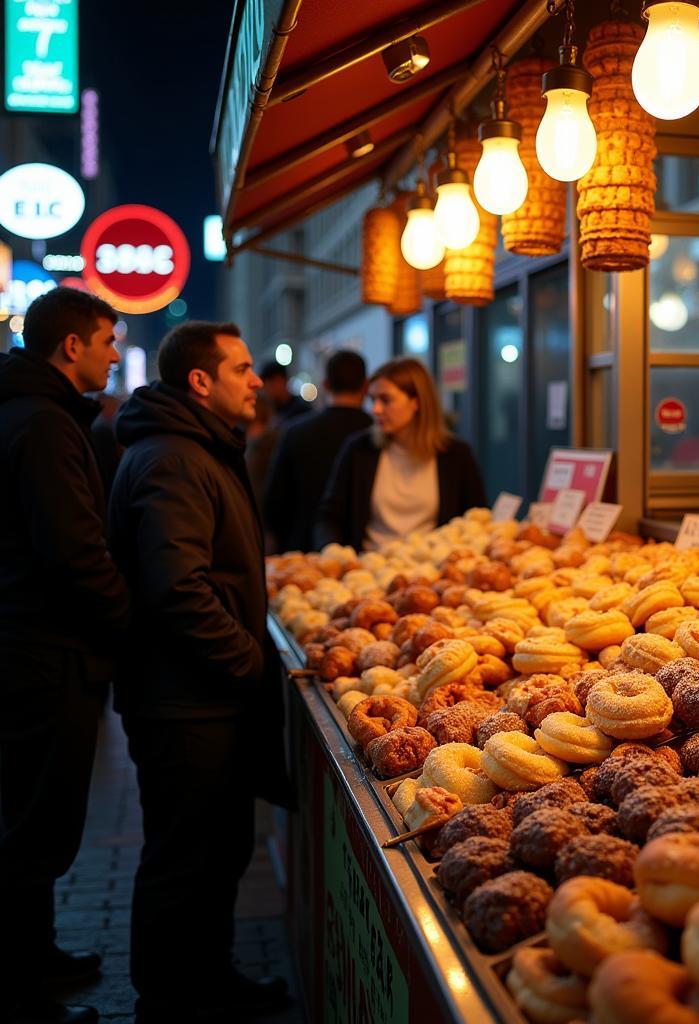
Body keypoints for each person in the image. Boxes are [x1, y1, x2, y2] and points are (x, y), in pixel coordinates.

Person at [108, 322, 290, 1023]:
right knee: (184, 856)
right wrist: (247, 659)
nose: (256, 380)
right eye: (242, 369)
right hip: (184, 703)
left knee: (217, 851)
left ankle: (209, 978)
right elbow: (176, 585)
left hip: (201, 698)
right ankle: (170, 999)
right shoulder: (174, 460)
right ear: (200, 382)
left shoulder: (195, 448)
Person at [0, 287, 131, 1024]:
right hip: (45, 657)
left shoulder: (32, 412)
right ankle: (24, 994)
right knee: (35, 829)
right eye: (109, 340)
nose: (116, 354)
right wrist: (124, 621)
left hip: (32, 647)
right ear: (71, 346)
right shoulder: (44, 425)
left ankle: (37, 958)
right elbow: (74, 552)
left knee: (31, 818)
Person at [314, 357, 486, 550]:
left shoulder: (456, 454)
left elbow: (476, 520)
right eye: (372, 400)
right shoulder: (359, 449)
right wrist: (332, 550)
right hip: (370, 569)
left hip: (433, 572)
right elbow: (329, 517)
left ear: (417, 402)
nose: (375, 409)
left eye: (385, 400)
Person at [263, 349, 371, 553]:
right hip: (366, 557)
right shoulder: (375, 434)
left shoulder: (295, 431)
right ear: (366, 386)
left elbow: (274, 502)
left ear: (326, 384)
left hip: (303, 549)